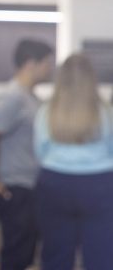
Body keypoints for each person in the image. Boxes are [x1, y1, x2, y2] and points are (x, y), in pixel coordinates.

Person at [33, 54, 113, 270]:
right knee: (101, 254)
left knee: (55, 253)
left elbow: (40, 151)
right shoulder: (105, 112)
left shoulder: (46, 112)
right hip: (100, 185)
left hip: (54, 183)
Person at [0, 38, 54, 270]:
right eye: (47, 63)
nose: (49, 69)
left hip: (30, 187)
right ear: (31, 63)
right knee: (15, 254)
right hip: (14, 188)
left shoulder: (31, 99)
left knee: (25, 254)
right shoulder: (13, 97)